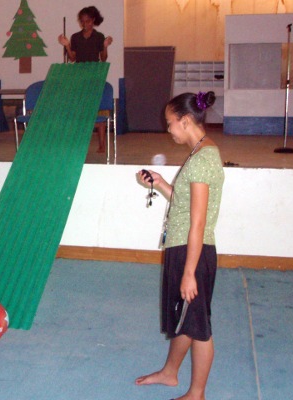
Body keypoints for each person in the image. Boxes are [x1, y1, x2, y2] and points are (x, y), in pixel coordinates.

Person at [135, 91, 224, 400]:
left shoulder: (203, 159)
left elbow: (198, 224)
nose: (169, 129)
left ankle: (196, 394)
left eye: (170, 123)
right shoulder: (201, 152)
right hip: (184, 248)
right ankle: (170, 373)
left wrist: (190, 273)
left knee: (199, 326)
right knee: (185, 318)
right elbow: (186, 206)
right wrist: (159, 183)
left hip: (192, 253)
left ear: (186, 121)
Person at [58, 6, 113, 153]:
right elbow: (73, 58)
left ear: (93, 20)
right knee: (79, 109)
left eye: (87, 21)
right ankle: (78, 141)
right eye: (82, 22)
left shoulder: (99, 36)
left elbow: (103, 58)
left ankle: (102, 144)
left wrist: (106, 46)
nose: (85, 24)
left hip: (95, 76)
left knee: (98, 109)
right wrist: (67, 46)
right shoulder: (75, 37)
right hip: (79, 76)